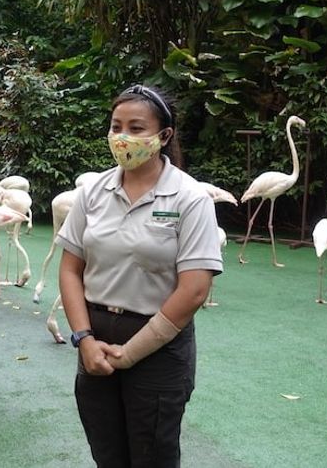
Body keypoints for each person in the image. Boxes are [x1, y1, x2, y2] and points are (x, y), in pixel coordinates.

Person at [57, 84, 223, 468]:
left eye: (135, 128)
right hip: (94, 339)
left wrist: (131, 353)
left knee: (153, 455)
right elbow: (70, 268)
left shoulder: (189, 198)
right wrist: (83, 339)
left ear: (164, 136)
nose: (123, 137)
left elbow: (195, 290)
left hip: (158, 346)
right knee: (107, 452)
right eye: (116, 126)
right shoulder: (92, 192)